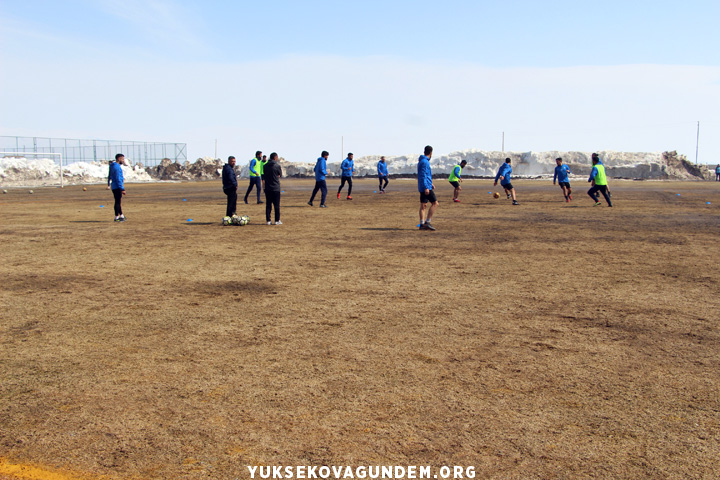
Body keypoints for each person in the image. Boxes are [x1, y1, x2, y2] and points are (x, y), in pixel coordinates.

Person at [418, 145, 438, 230]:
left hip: (423, 186)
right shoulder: (425, 162)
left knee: (423, 205)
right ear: (431, 153)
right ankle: (427, 222)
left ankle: (422, 224)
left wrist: (431, 184)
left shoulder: (421, 161)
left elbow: (425, 175)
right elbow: (423, 175)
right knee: (435, 203)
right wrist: (427, 187)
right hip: (425, 187)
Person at [262, 152, 283, 224]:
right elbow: (280, 174)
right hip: (275, 187)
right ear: (275, 158)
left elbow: (264, 175)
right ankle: (277, 220)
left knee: (268, 205)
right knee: (276, 205)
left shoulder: (265, 166)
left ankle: (268, 220)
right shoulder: (277, 166)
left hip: (267, 187)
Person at [106, 153, 126, 222]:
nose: (123, 160)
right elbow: (118, 179)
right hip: (117, 186)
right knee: (117, 202)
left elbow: (109, 176)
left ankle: (121, 215)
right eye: (122, 159)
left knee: (118, 201)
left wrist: (108, 184)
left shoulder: (112, 166)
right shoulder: (117, 167)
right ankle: (116, 217)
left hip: (114, 186)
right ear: (119, 159)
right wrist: (122, 188)